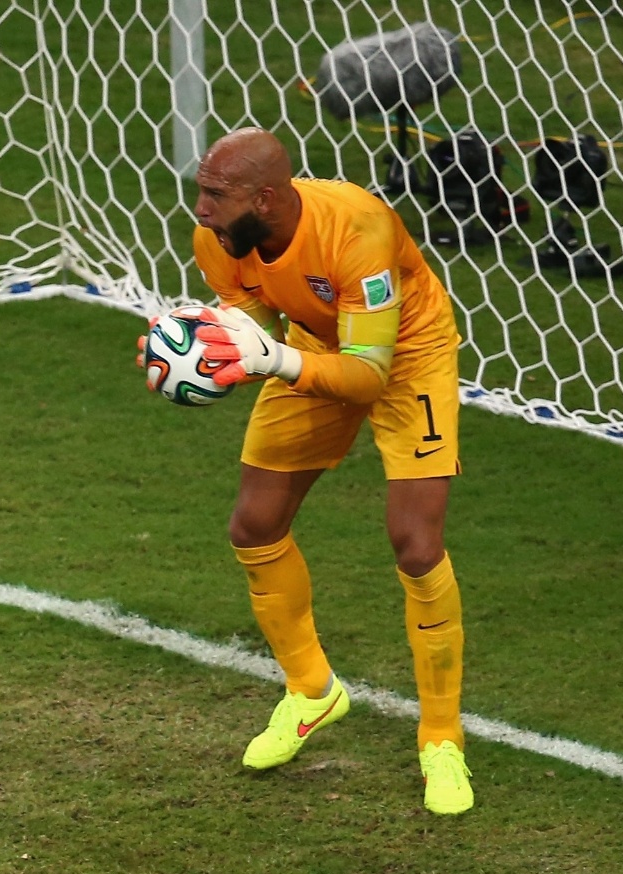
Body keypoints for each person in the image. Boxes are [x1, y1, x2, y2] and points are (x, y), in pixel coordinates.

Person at [167, 126, 473, 814]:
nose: (202, 209)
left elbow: (367, 375)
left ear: (267, 198)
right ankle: (312, 691)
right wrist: (196, 354)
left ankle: (441, 737)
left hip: (406, 354)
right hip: (314, 343)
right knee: (254, 524)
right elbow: (247, 328)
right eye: (201, 192)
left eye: (216, 194)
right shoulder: (218, 239)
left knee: (416, 545)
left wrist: (273, 361)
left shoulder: (357, 229)